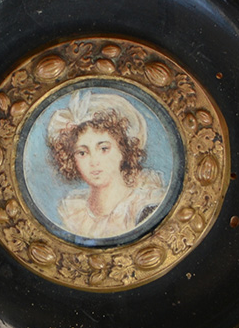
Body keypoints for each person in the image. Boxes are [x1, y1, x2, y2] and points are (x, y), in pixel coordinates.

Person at [47, 90, 166, 240]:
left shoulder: (143, 207)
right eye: (82, 153)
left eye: (104, 149)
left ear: (123, 150)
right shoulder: (72, 212)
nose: (94, 162)